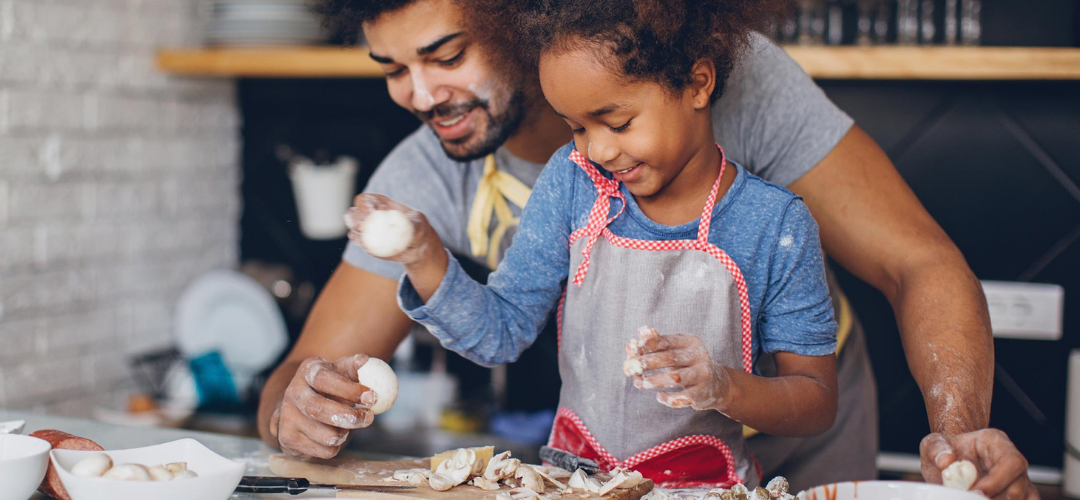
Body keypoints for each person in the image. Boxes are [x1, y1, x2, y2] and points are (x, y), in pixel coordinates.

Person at [257, 0, 1037, 498]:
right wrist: (297, 407)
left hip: (802, 440)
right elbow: (308, 370)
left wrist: (958, 426)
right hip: (610, 467)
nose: (420, 96)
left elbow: (919, 263)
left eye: (447, 53)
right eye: (392, 69)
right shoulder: (454, 173)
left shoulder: (726, 89)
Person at [344, 0, 837, 487]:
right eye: (576, 127)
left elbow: (815, 403)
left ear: (697, 83)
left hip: (702, 485)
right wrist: (423, 255)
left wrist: (721, 385)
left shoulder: (774, 225)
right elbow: (499, 333)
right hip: (576, 480)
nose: (597, 150)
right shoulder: (574, 184)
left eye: (618, 123)